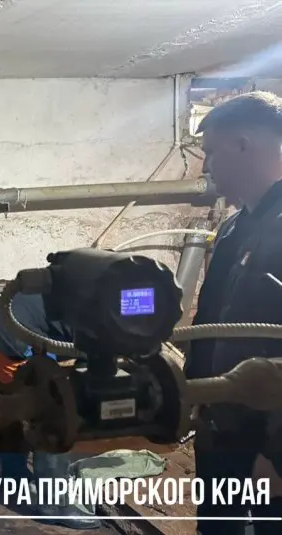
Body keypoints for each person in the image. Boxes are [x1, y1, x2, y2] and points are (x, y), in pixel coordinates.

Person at [185, 90, 282, 534]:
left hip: (267, 442)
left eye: (211, 152)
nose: (205, 166)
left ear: (243, 145)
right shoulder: (234, 228)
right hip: (223, 425)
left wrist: (276, 456)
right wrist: (196, 394)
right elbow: (211, 321)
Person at [0, 291, 100, 530]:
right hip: (10, 345)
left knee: (21, 406)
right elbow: (87, 374)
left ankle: (12, 476)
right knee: (56, 416)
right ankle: (54, 506)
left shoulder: (90, 285)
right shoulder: (108, 316)